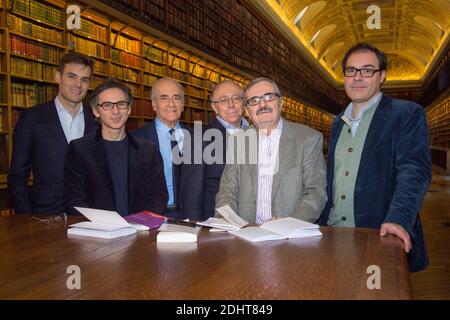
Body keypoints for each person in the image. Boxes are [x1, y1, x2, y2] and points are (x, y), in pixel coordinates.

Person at [318, 43, 431, 272]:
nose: (358, 77)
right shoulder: (337, 122)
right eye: (351, 70)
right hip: (332, 236)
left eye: (367, 70)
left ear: (382, 76)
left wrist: (399, 219)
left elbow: (414, 171)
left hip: (378, 235)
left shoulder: (406, 114)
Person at [215, 77, 327, 224]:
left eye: (269, 97)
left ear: (280, 103)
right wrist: (226, 220)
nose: (262, 104)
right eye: (254, 100)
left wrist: (288, 224)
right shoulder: (239, 140)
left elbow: (315, 192)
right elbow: (227, 190)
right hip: (247, 234)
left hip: (290, 237)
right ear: (247, 110)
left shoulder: (308, 139)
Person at [8, 52, 97, 214]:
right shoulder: (32, 118)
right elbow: (17, 177)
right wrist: (27, 219)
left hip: (88, 219)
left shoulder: (97, 122)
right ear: (58, 77)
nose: (78, 84)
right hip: (43, 218)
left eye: (84, 79)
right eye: (72, 76)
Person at [63, 78, 168, 216]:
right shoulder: (79, 149)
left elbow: (159, 196)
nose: (116, 111)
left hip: (140, 231)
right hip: (98, 232)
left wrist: (142, 224)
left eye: (121, 104)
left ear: (129, 109)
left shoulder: (148, 150)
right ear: (96, 111)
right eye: (107, 105)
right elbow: (73, 200)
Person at [133, 77, 203, 220]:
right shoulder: (136, 140)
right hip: (152, 215)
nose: (171, 104)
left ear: (183, 104)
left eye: (176, 98)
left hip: (191, 216)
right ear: (153, 104)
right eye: (164, 98)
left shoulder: (199, 138)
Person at [202, 80, 249, 219]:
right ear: (214, 107)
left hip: (255, 222)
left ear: (244, 102)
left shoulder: (259, 133)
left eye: (236, 98)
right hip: (217, 221)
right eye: (223, 100)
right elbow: (192, 191)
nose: (231, 105)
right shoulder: (199, 139)